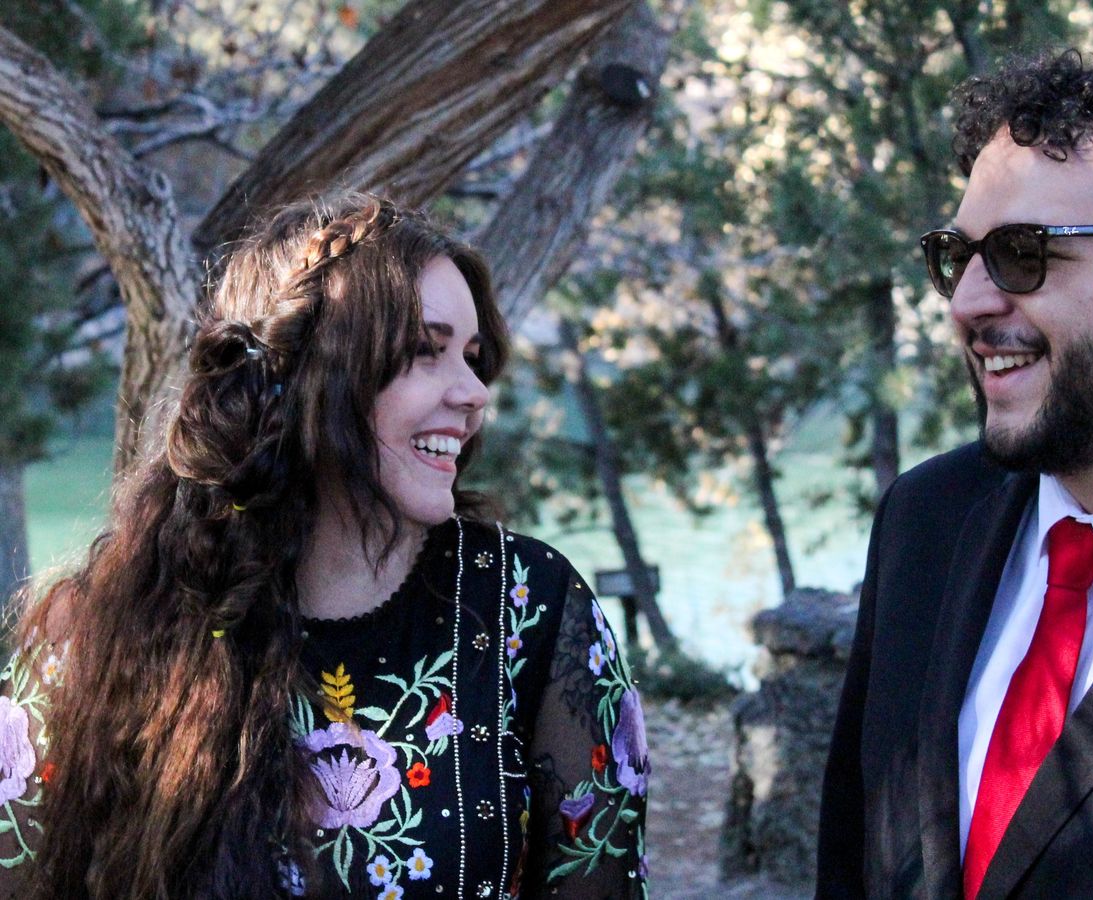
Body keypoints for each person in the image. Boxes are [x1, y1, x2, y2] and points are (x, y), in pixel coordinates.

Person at [0, 195, 649, 899]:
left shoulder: (526, 607)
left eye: (472, 357)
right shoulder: (91, 632)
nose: (473, 394)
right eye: (424, 352)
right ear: (309, 375)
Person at [817, 43, 1093, 900]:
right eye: (958, 258)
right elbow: (852, 858)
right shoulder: (925, 518)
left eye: (1026, 253)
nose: (967, 304)